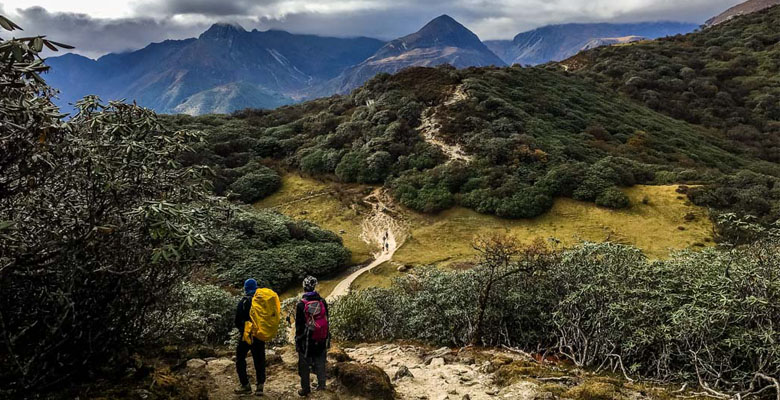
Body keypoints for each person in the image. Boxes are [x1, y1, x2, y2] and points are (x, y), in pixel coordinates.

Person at [295, 276, 329, 396]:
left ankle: (305, 389)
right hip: (320, 338)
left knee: (304, 365)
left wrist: (297, 341)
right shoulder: (322, 301)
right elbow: (327, 320)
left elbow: (298, 327)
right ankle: (322, 386)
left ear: (304, 288)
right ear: (314, 287)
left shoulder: (301, 305)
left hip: (306, 340)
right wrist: (326, 338)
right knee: (320, 362)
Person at [234, 279, 266, 396]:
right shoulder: (261, 301)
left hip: (246, 336)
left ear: (245, 288)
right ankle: (260, 386)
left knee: (240, 358)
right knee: (259, 359)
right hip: (259, 334)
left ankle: (245, 385)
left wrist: (244, 330)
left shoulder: (243, 302)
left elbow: (237, 321)